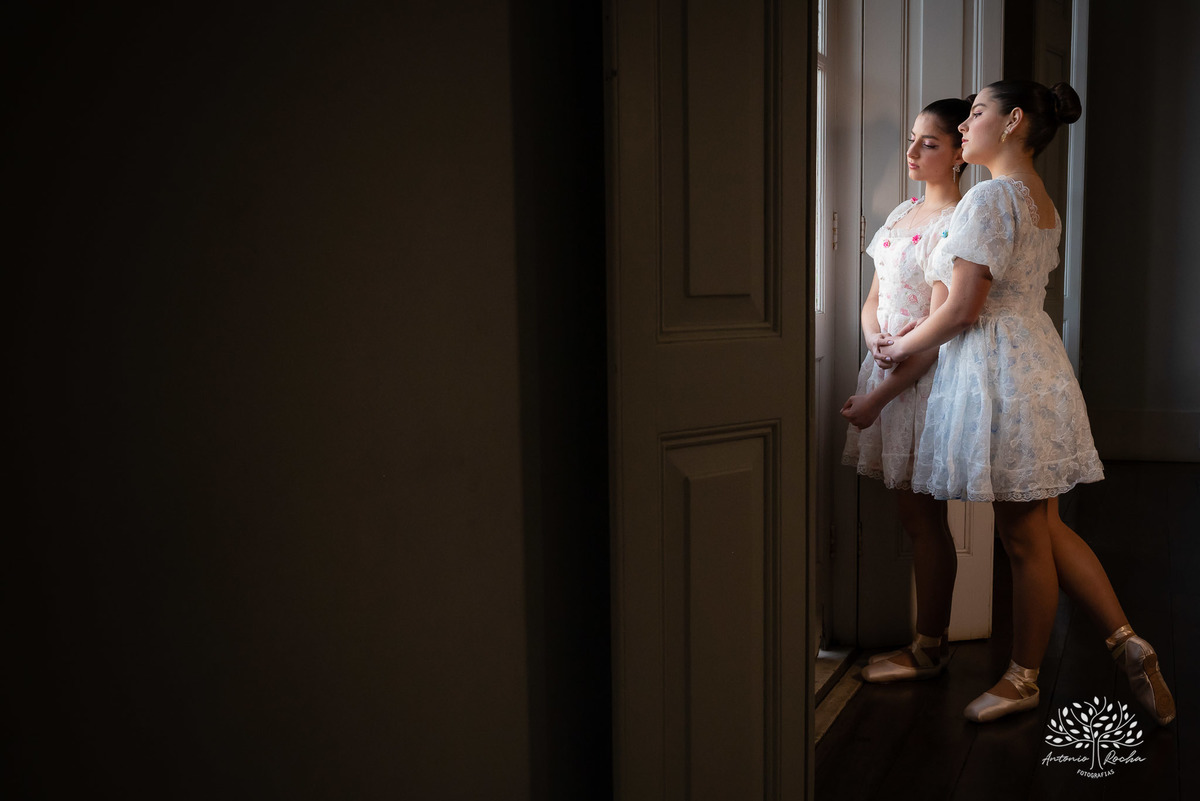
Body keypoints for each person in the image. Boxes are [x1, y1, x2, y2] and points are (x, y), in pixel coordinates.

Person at [876, 79, 1176, 725]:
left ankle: (1023, 678)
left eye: (976, 114)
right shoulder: (1039, 197)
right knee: (1044, 526)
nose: (964, 127)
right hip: (1037, 361)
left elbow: (960, 309)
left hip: (997, 369)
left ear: (1013, 122)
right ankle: (1126, 638)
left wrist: (898, 353)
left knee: (1022, 538)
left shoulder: (986, 197)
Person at [840, 98, 970, 683]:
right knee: (910, 515)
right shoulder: (902, 212)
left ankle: (930, 645)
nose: (913, 152)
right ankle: (929, 642)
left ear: (960, 153)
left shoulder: (959, 224)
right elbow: (874, 296)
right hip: (887, 365)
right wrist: (875, 339)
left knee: (924, 520)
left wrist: (880, 394)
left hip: (920, 385)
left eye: (930, 143)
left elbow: (940, 332)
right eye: (914, 139)